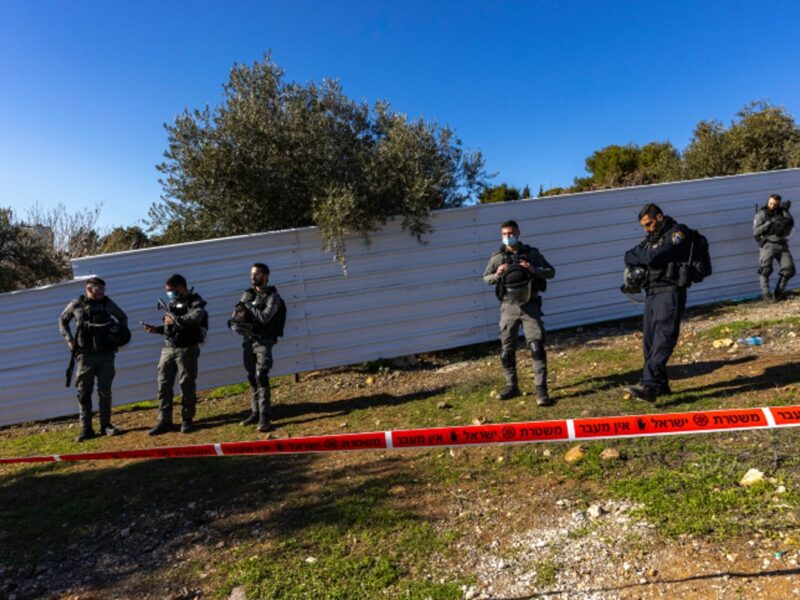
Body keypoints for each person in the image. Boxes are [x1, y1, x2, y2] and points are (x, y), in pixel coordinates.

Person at [623, 204, 692, 402]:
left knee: (663, 337)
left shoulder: (678, 233)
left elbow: (655, 257)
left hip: (670, 291)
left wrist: (645, 257)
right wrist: (646, 257)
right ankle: (661, 385)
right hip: (652, 292)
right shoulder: (651, 239)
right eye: (644, 226)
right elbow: (628, 255)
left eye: (649, 224)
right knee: (650, 341)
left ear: (660, 217)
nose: (647, 229)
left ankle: (650, 385)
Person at [483, 220, 556, 405]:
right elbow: (486, 278)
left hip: (530, 306)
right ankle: (512, 386)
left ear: (518, 233)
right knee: (507, 351)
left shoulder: (531, 253)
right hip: (508, 307)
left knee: (536, 347)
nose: (508, 237)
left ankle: (541, 390)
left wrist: (533, 269)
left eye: (511, 233)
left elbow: (550, 272)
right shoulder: (497, 257)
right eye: (505, 234)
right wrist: (497, 274)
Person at [59, 277, 128, 441]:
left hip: (106, 356)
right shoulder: (76, 305)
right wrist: (69, 339)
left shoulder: (108, 304)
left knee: (105, 392)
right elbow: (62, 320)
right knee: (84, 393)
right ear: (89, 288)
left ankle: (106, 426)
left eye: (103, 289)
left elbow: (122, 318)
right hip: (85, 356)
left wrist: (117, 337)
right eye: (99, 289)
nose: (102, 292)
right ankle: (86, 429)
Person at [143, 274, 208, 435]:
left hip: (187, 349)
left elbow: (197, 316)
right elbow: (169, 327)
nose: (170, 294)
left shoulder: (195, 301)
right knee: (163, 385)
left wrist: (177, 320)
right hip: (168, 348)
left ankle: (187, 419)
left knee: (186, 385)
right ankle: (164, 420)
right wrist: (157, 329)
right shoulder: (171, 304)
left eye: (172, 290)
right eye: (167, 291)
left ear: (181, 287)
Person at [230, 263, 285, 432]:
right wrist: (238, 317)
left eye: (257, 274)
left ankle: (265, 417)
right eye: (251, 274)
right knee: (252, 377)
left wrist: (249, 307)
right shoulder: (248, 294)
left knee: (262, 376)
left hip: (264, 341)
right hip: (248, 341)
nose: (253, 277)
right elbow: (236, 316)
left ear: (266, 276)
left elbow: (265, 317)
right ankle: (255, 412)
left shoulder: (273, 297)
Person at [753, 193, 795, 302]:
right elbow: (756, 232)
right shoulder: (762, 214)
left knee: (789, 270)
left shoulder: (781, 211)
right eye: (770, 203)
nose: (772, 206)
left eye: (775, 204)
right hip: (768, 245)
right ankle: (767, 296)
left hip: (782, 244)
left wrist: (786, 210)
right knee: (765, 270)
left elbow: (790, 224)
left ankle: (778, 293)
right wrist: (769, 223)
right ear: (768, 201)